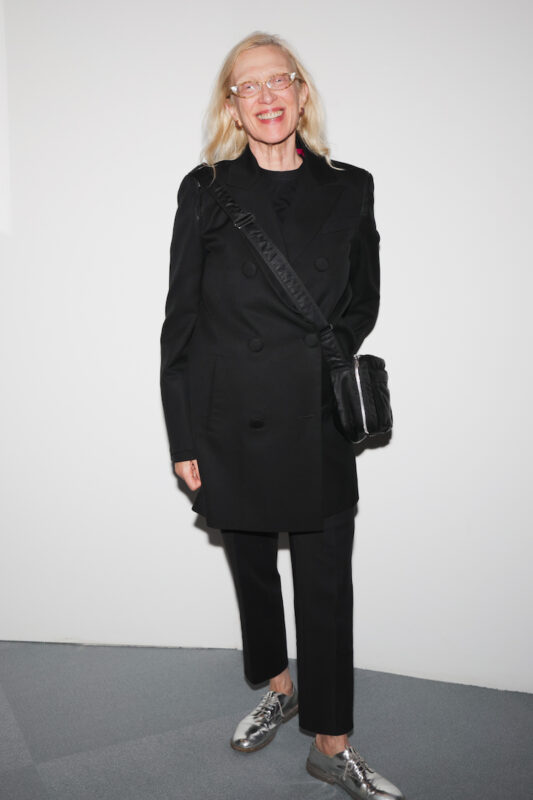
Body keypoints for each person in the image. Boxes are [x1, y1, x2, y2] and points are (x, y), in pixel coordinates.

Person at [160, 31, 404, 800]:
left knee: (325, 585)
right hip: (229, 417)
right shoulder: (206, 189)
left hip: (312, 415)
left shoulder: (350, 186)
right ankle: (278, 686)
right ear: (231, 107)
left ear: (300, 92)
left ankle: (332, 744)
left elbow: (363, 297)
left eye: (279, 80)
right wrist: (182, 435)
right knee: (252, 571)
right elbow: (180, 322)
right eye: (248, 86)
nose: (265, 97)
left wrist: (319, 361)